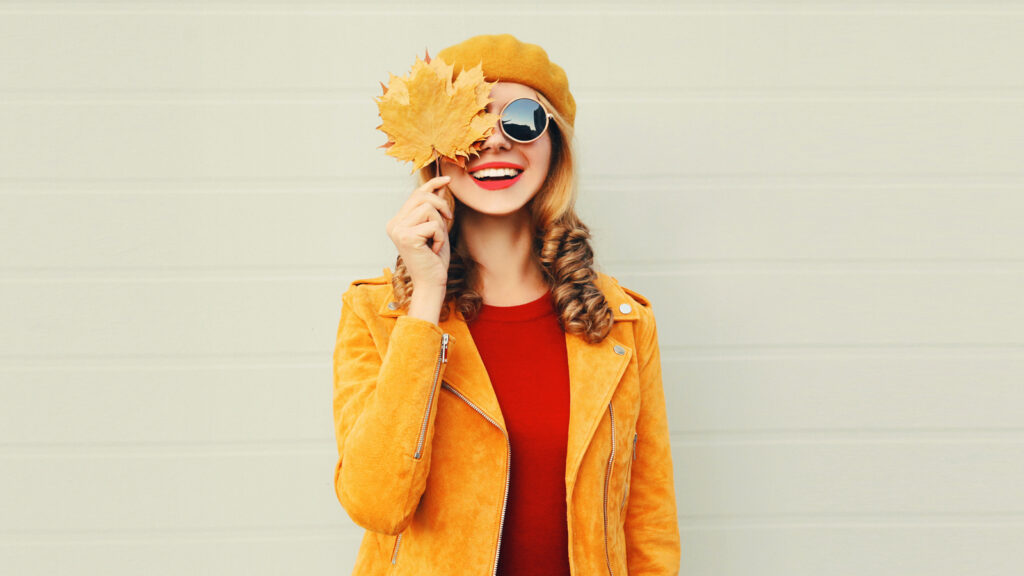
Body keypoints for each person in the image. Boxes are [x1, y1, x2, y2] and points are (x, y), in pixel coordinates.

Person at [332, 33, 681, 575]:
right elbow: (376, 503)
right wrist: (425, 298)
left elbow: (648, 525)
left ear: (555, 144)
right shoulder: (377, 315)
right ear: (435, 148)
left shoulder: (623, 324)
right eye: (471, 119)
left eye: (522, 118)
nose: (494, 141)